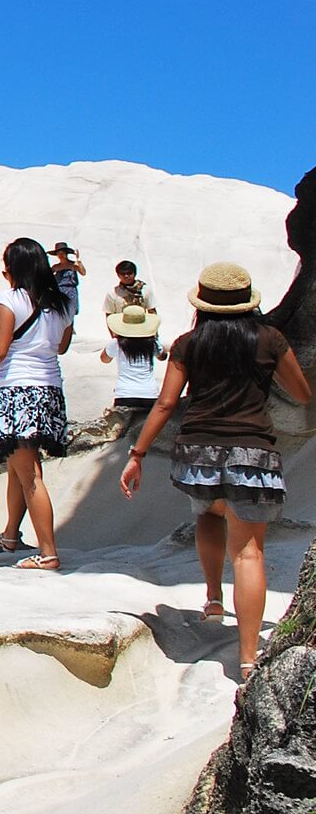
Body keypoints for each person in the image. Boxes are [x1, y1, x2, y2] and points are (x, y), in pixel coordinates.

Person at [121, 261, 312, 681]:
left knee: (207, 513)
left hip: (199, 451)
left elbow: (167, 404)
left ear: (203, 303)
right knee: (249, 553)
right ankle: (247, 657)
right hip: (253, 451)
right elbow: (301, 394)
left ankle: (212, 598)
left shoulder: (188, 343)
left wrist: (137, 453)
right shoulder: (269, 339)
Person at [0, 237, 77, 569]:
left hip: (17, 390)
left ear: (14, 268)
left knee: (30, 474)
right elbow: (62, 346)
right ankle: (10, 535)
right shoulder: (62, 303)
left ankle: (48, 553)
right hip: (49, 389)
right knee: (17, 466)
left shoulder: (10, 299)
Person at [101, 303, 163, 433]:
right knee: (146, 433)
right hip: (149, 393)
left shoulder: (117, 343)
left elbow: (104, 359)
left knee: (120, 435)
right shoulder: (151, 343)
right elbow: (163, 356)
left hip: (125, 394)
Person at [49, 242, 86, 317]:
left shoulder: (73, 265)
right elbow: (47, 276)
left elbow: (83, 272)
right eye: (59, 253)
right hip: (59, 292)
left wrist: (78, 260)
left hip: (71, 292)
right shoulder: (55, 267)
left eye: (62, 253)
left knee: (70, 314)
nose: (61, 255)